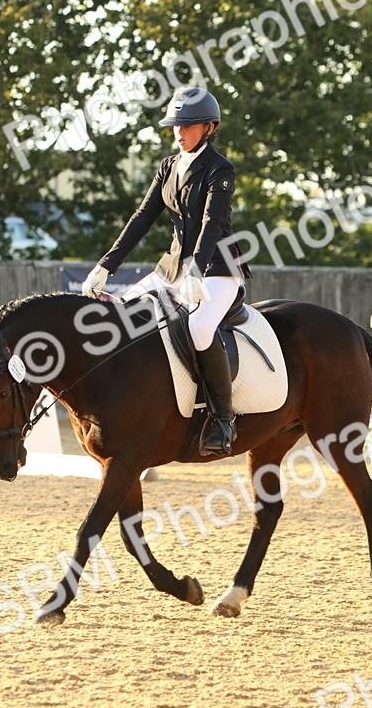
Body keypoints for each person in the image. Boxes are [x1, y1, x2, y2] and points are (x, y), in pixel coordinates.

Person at [81, 86, 250, 456]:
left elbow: (212, 222)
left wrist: (196, 270)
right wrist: (106, 265)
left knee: (200, 327)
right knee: (122, 313)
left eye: (188, 126)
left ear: (209, 127)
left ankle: (224, 419)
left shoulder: (220, 169)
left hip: (218, 268)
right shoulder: (168, 166)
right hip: (172, 267)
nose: (179, 132)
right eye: (176, 125)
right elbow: (142, 217)